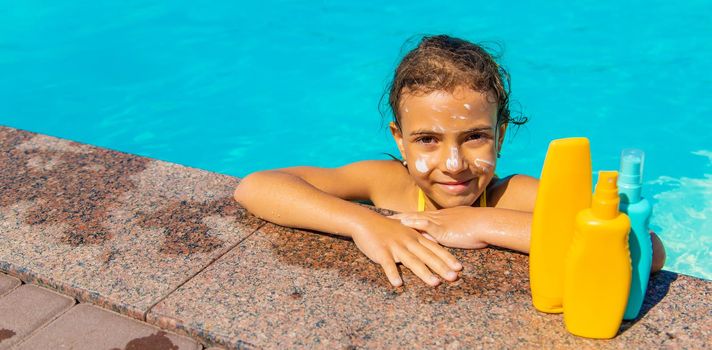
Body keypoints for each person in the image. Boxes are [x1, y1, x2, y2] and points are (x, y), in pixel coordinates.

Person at [234, 34, 665, 287]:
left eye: (475, 136)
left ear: (499, 134)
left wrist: (483, 224)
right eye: (427, 140)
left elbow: (645, 248)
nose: (454, 163)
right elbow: (257, 185)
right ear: (400, 142)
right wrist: (364, 223)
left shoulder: (511, 196)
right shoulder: (388, 184)